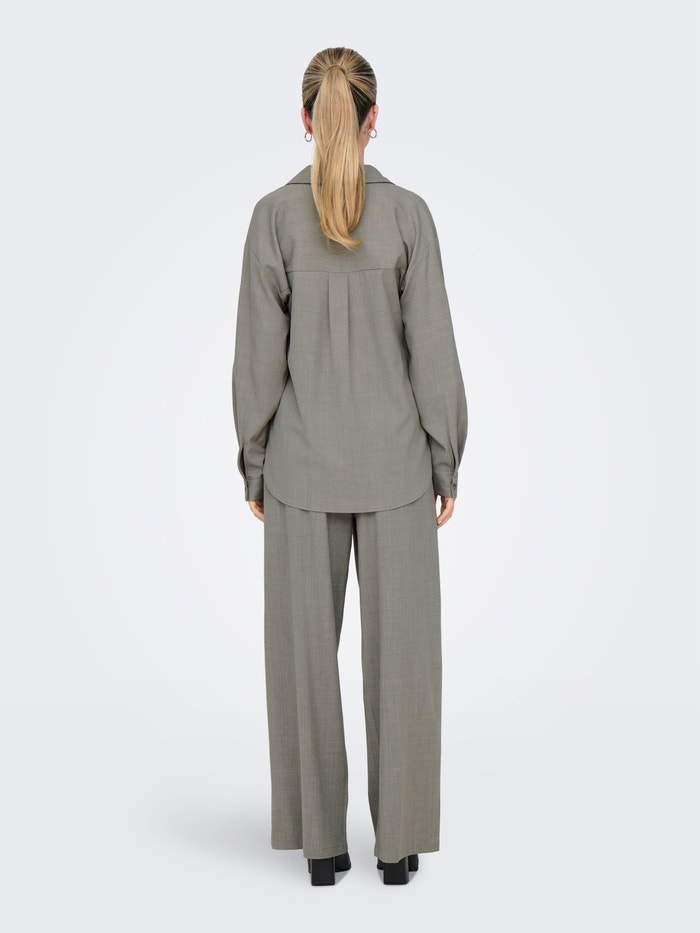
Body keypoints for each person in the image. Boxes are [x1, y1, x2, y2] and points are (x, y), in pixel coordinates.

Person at [231, 46, 468, 886]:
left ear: (306, 119)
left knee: (302, 661)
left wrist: (255, 461)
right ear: (374, 120)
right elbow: (433, 352)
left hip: (300, 471)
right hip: (397, 469)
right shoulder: (408, 217)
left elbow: (257, 360)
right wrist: (444, 458)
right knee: (405, 661)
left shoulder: (272, 219)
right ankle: (398, 847)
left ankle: (321, 847)